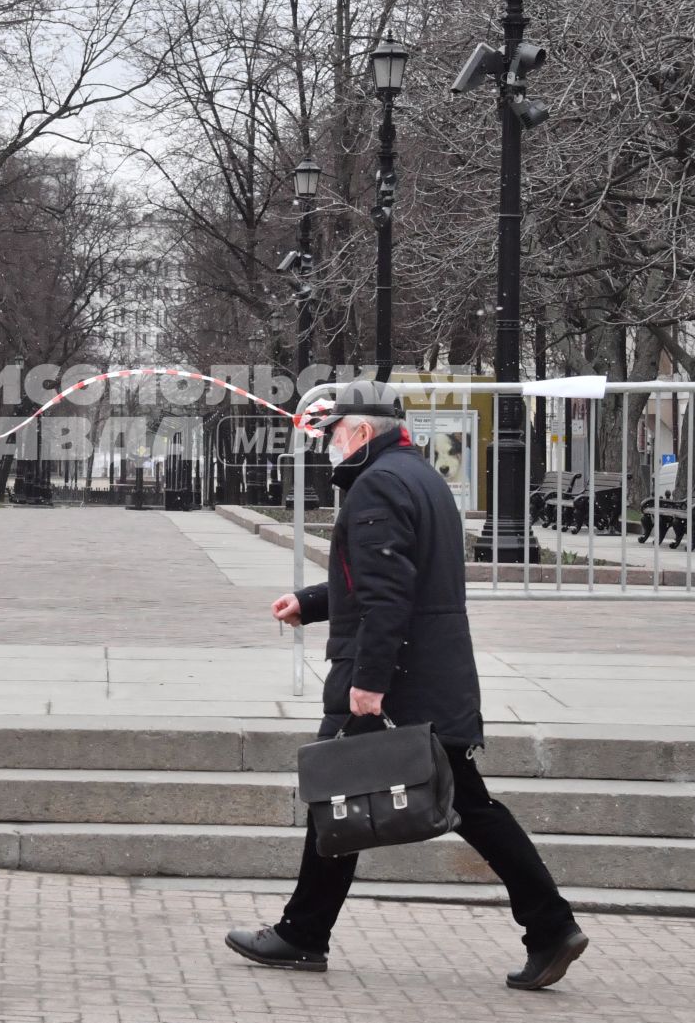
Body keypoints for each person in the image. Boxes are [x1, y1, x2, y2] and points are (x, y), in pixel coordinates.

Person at [225, 380, 589, 990]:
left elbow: (388, 595)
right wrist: (311, 602)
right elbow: (396, 579)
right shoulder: (417, 477)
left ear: (361, 432)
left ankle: (303, 934)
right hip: (429, 674)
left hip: (394, 679)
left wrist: (367, 685)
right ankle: (550, 927)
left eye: (335, 436)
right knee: (467, 806)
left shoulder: (377, 485)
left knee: (335, 795)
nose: (331, 449)